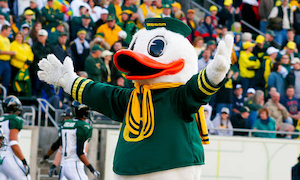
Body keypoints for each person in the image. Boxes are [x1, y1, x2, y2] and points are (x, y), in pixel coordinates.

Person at [39, 101, 100, 180]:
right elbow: (79, 152)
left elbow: (56, 145)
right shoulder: (84, 127)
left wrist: (45, 157)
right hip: (75, 164)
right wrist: (92, 169)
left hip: (65, 166)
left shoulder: (66, 124)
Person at [0, 96, 30, 179]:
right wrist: (23, 160)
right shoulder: (15, 120)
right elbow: (13, 143)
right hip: (8, 157)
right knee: (26, 178)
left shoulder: (1, 119)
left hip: (0, 159)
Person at [31, 29, 53, 96]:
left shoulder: (49, 45)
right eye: (40, 36)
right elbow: (38, 56)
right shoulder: (35, 45)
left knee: (46, 88)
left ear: (46, 37)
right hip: (37, 70)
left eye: (42, 36)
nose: (40, 37)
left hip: (46, 71)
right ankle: (35, 103)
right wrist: (47, 57)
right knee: (36, 88)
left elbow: (52, 57)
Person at [0, 25, 16, 93]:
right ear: (4, 30)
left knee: (6, 82)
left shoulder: (7, 39)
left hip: (7, 62)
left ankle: (4, 98)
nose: (10, 32)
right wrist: (9, 53)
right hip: (0, 61)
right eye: (9, 31)